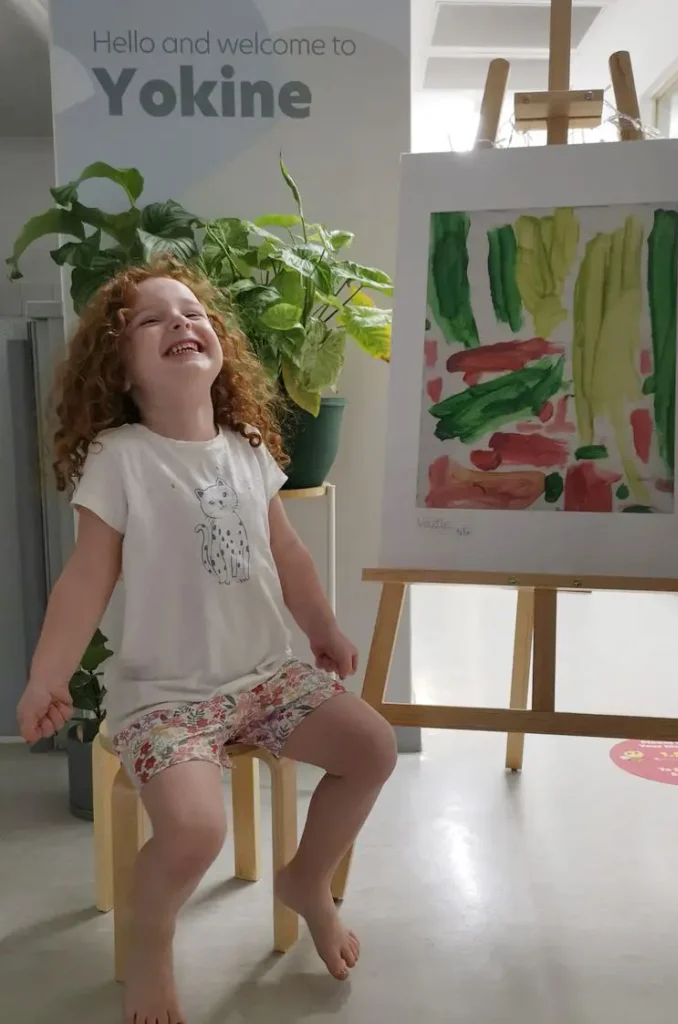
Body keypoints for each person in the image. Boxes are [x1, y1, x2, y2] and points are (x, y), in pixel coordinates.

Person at [16, 259, 398, 1024]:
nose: (181, 324)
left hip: (264, 677)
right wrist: (45, 677)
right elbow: (85, 581)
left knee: (373, 749)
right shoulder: (118, 456)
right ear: (120, 370)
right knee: (195, 829)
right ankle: (151, 941)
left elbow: (286, 550)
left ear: (218, 345)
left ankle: (306, 880)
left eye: (191, 313)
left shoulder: (246, 446)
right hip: (166, 698)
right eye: (152, 321)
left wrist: (321, 626)